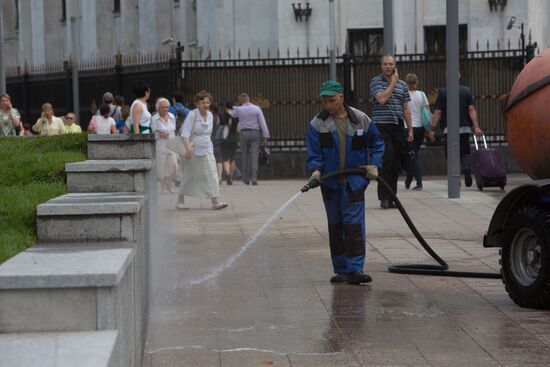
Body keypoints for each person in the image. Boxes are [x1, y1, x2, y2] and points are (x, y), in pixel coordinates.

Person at [306, 80, 384, 284]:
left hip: (354, 182)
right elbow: (314, 153)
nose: (328, 105)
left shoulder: (361, 120)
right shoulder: (317, 124)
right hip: (330, 184)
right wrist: (315, 171)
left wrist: (374, 165)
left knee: (354, 226)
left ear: (341, 96)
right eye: (324, 101)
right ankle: (340, 268)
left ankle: (355, 269)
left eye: (332, 100)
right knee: (335, 226)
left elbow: (377, 144)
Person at [370, 55, 413, 209]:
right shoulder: (376, 82)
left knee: (395, 164)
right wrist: (393, 82)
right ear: (381, 66)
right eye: (385, 64)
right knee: (387, 160)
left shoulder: (402, 85)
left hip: (397, 126)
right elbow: (381, 99)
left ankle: (392, 197)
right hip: (381, 126)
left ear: (395, 65)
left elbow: (406, 108)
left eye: (391, 64)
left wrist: (410, 129)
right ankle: (384, 198)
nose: (388, 66)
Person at [176, 90, 228, 210]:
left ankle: (215, 201)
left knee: (212, 174)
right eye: (203, 102)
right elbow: (185, 135)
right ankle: (180, 201)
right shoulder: (192, 115)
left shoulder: (210, 115)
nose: (205, 105)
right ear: (197, 103)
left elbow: (208, 134)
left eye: (207, 102)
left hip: (207, 149)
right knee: (189, 176)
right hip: (193, 150)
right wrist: (188, 150)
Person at [429, 80, 483, 187]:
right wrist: (476, 127)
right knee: (465, 152)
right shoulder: (466, 91)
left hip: (449, 130)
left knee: (451, 155)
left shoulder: (443, 92)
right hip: (465, 129)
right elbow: (471, 110)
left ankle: (455, 179)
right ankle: (466, 167)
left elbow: (438, 112)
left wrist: (432, 128)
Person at [232, 93, 270, 185]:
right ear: (249, 99)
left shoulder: (239, 109)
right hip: (255, 133)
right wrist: (265, 136)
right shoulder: (257, 109)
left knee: (245, 155)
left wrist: (238, 105)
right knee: (254, 156)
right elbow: (262, 123)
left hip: (244, 133)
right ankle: (254, 178)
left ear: (240, 100)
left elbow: (234, 115)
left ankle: (246, 179)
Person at [404, 73, 428, 191]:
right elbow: (427, 112)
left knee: (414, 156)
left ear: (406, 83)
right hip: (420, 128)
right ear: (417, 82)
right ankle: (408, 180)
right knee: (414, 154)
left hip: (408, 128)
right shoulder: (422, 95)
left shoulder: (404, 96)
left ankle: (419, 182)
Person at [151, 97, 178, 193]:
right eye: (163, 107)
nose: (165, 109)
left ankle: (170, 185)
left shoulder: (172, 116)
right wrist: (160, 135)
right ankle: (163, 186)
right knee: (161, 167)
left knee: (173, 166)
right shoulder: (154, 119)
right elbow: (154, 133)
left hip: (171, 146)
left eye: (167, 107)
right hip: (161, 146)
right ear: (158, 108)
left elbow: (174, 130)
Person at [218, 101, 240, 185]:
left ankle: (227, 175)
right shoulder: (237, 116)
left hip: (224, 138)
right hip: (234, 138)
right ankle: (231, 177)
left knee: (225, 158)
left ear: (226, 106)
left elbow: (218, 125)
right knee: (232, 158)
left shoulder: (222, 114)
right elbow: (238, 129)